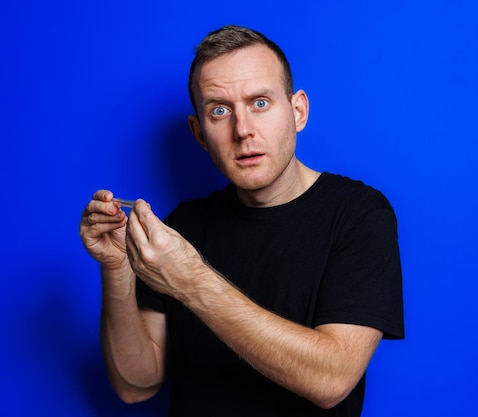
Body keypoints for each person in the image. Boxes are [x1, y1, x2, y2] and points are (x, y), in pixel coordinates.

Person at [80, 25, 404, 417]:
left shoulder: (359, 215)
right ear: (199, 133)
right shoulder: (182, 227)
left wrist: (192, 281)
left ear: (298, 111)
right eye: (220, 110)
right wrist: (117, 269)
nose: (243, 130)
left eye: (260, 103)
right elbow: (136, 385)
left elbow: (331, 380)